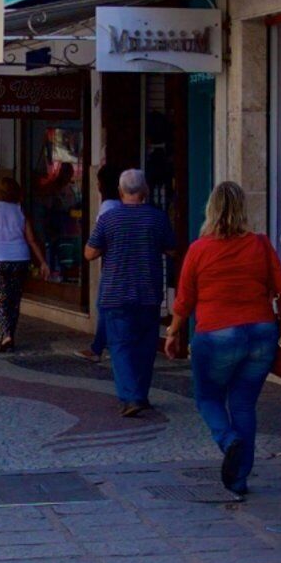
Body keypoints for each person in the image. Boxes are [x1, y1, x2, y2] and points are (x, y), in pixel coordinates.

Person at [168, 180, 281, 504]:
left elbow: (185, 299)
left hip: (215, 335)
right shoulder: (260, 244)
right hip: (261, 333)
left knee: (208, 398)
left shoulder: (199, 249)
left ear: (210, 209)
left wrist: (172, 332)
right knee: (243, 404)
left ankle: (228, 441)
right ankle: (238, 479)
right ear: (243, 209)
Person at [86, 169, 181, 419]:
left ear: (120, 192)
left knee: (120, 347)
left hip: (116, 292)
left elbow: (89, 253)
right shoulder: (157, 219)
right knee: (146, 347)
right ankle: (141, 394)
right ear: (145, 191)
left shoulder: (109, 219)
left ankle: (131, 397)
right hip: (148, 292)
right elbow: (172, 250)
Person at [0, 182, 36, 355]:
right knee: (14, 300)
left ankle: (5, 335)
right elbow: (31, 238)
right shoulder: (20, 210)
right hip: (20, 258)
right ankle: (10, 334)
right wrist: (43, 261)